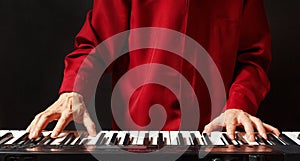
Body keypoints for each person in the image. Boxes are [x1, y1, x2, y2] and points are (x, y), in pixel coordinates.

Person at [26, 0, 280, 141]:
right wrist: (74, 90)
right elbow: (97, 44)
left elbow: (253, 60)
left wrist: (239, 105)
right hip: (136, 141)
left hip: (216, 141)